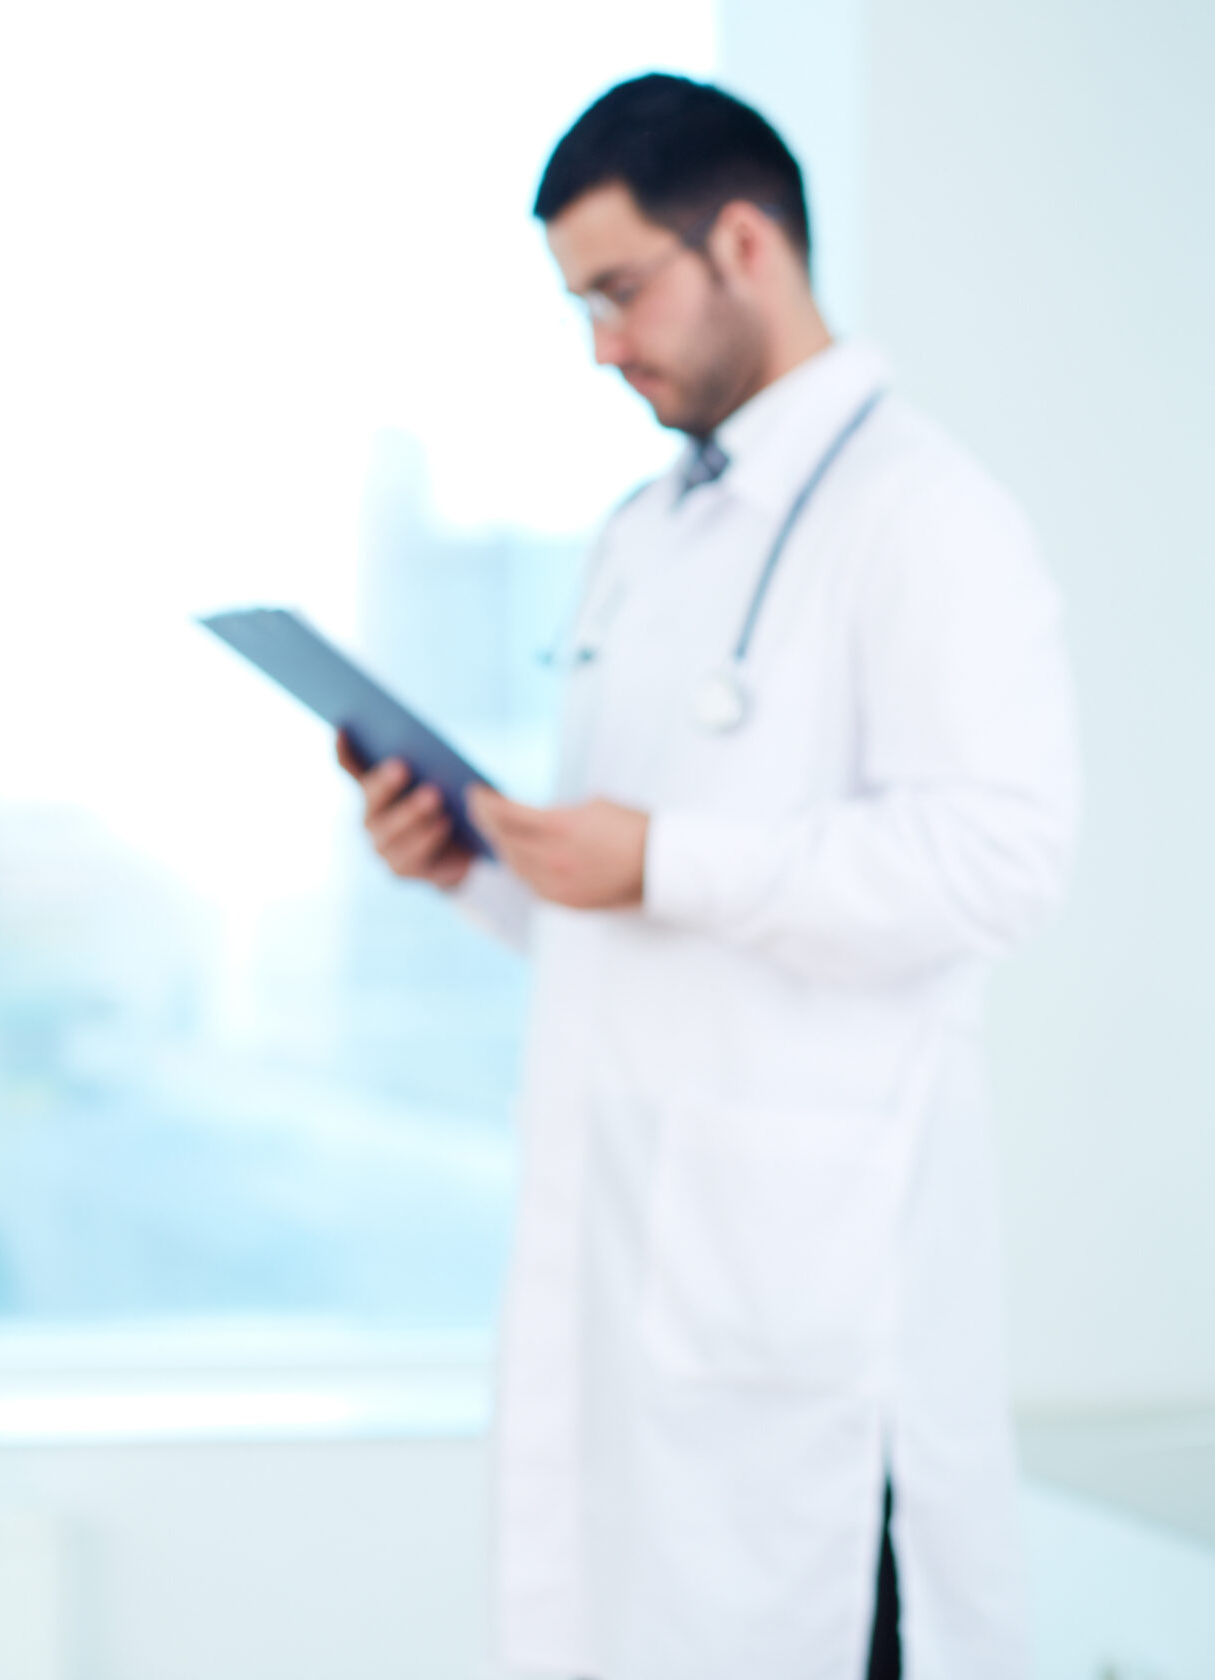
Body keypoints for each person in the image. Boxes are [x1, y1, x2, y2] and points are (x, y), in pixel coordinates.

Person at [341, 73, 1077, 1680]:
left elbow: (998, 857)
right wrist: (473, 867)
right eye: (580, 306)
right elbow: (629, 918)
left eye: (621, 290)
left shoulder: (924, 516)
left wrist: (662, 857)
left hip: (814, 1303)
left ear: (744, 239)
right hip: (642, 1279)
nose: (605, 344)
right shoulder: (644, 535)